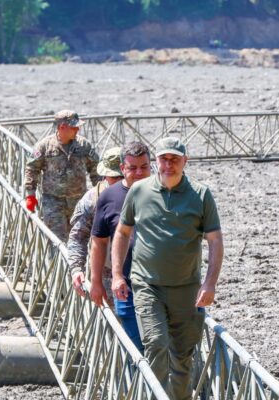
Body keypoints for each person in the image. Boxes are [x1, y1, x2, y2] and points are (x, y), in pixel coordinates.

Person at [111, 137, 224, 400]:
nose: (168, 164)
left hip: (187, 288)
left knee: (183, 356)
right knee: (156, 344)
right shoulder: (139, 191)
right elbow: (122, 233)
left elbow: (215, 240)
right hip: (147, 285)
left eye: (175, 159)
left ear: (185, 161)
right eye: (163, 159)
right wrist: (117, 275)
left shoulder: (201, 195)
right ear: (156, 162)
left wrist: (210, 283)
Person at [88, 141, 152, 352]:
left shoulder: (165, 192)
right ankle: (135, 382)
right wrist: (96, 281)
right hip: (126, 287)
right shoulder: (109, 196)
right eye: (132, 168)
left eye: (144, 167)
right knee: (135, 348)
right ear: (122, 168)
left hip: (162, 286)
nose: (139, 173)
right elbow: (98, 242)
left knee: (158, 345)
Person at [24, 110, 100, 242]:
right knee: (56, 241)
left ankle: (74, 263)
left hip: (78, 201)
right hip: (53, 201)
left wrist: (101, 193)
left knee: (79, 239)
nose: (78, 129)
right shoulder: (45, 146)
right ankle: (56, 262)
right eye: (74, 126)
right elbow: (32, 168)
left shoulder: (83, 145)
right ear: (62, 127)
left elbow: (95, 169)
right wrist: (30, 195)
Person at [67, 147, 123, 298]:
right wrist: (76, 269)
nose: (119, 182)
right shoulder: (93, 199)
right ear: (105, 176)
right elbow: (78, 237)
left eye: (122, 177)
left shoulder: (145, 194)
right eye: (114, 178)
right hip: (106, 275)